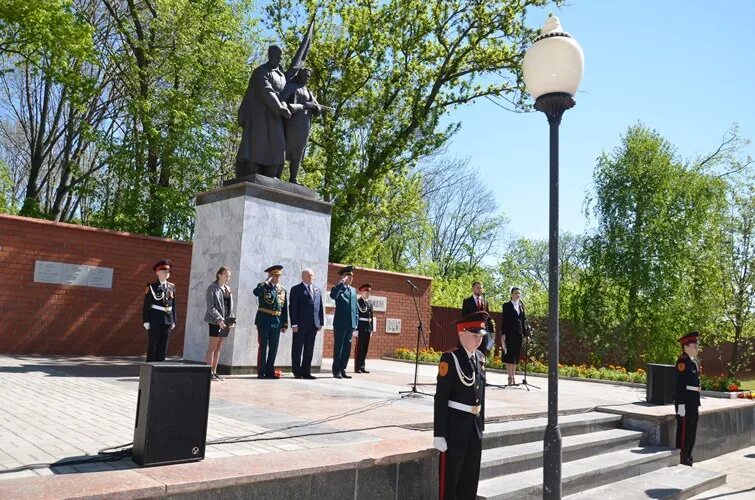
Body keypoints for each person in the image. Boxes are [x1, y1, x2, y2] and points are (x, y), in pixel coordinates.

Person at [434, 311, 487, 500]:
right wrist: (439, 433)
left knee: (470, 479)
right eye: (474, 336)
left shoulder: (480, 357)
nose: (478, 340)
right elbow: (440, 398)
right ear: (461, 333)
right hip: (455, 429)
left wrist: (482, 424)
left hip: (474, 428)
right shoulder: (450, 358)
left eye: (480, 336)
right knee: (452, 480)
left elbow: (482, 394)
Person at [235, 45, 292, 179]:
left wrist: (285, 105)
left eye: (278, 57)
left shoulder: (282, 75)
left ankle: (272, 173)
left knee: (278, 143)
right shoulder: (260, 71)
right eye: (273, 55)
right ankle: (254, 170)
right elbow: (266, 90)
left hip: (275, 115)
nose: (276, 59)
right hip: (259, 115)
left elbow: (283, 94)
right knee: (258, 143)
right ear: (269, 55)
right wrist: (279, 107)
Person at [281, 68, 322, 184]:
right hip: (292, 123)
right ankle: (276, 175)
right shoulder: (292, 87)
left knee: (299, 152)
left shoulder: (309, 92)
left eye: (308, 76)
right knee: (284, 148)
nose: (306, 78)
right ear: (299, 76)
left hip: (304, 125)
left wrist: (316, 108)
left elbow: (318, 110)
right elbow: (283, 101)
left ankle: (293, 178)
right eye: (304, 75)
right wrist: (303, 106)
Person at [253, 265, 288, 379]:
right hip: (263, 320)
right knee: (263, 347)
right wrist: (265, 282)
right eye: (275, 275)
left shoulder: (282, 290)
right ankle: (261, 371)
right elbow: (256, 292)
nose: (278, 277)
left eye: (279, 275)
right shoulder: (263, 286)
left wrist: (284, 324)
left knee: (274, 348)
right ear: (270, 276)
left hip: (277, 322)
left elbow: (284, 308)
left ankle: (270, 371)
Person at [288, 268, 324, 379]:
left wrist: (320, 322)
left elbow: (320, 307)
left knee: (309, 349)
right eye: (309, 275)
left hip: (313, 325)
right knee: (297, 349)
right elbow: (293, 307)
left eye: (312, 275)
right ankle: (297, 372)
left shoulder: (317, 290)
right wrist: (294, 324)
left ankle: (306, 372)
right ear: (303, 276)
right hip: (300, 325)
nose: (311, 277)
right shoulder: (296, 289)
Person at [142, 259, 177, 362]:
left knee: (163, 346)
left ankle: (160, 367)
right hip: (155, 319)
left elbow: (174, 305)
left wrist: (174, 320)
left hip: (168, 319)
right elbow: (146, 305)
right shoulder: (152, 287)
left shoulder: (172, 286)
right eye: (164, 271)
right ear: (157, 272)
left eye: (168, 271)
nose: (167, 273)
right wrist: (146, 320)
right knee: (153, 345)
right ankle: (150, 368)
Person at [675, 331, 701, 466]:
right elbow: (679, 385)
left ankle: (688, 456)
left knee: (692, 431)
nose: (697, 348)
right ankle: (682, 457)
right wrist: (680, 404)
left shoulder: (693, 362)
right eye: (694, 345)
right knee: (684, 431)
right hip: (685, 402)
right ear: (686, 346)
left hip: (693, 401)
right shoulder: (682, 361)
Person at [205, 266, 235, 382]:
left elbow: (230, 307)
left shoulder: (228, 289)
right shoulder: (212, 288)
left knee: (219, 347)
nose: (228, 278)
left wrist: (231, 321)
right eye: (226, 275)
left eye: (229, 276)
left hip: (226, 322)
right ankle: (209, 373)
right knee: (212, 347)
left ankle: (215, 371)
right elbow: (210, 307)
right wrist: (219, 320)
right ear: (219, 275)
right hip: (215, 321)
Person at [330, 265, 358, 379]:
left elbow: (355, 308)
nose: (350, 278)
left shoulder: (353, 290)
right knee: (339, 348)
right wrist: (341, 283)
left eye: (351, 277)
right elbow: (333, 296)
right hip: (340, 323)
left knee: (347, 348)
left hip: (350, 324)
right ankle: (336, 371)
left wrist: (355, 323)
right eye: (347, 276)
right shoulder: (338, 288)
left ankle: (343, 369)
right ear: (343, 277)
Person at [502, 287, 528, 385]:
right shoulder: (507, 305)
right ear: (512, 294)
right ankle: (510, 377)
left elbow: (523, 320)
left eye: (519, 293)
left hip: (519, 333)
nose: (518, 295)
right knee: (509, 355)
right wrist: (503, 334)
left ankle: (514, 376)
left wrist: (525, 333)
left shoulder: (521, 306)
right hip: (509, 333)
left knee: (516, 356)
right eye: (516, 293)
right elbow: (504, 320)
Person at [461, 281, 495, 355]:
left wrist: (492, 331)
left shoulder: (485, 302)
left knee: (483, 353)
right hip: (472, 331)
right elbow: (464, 317)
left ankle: (481, 366)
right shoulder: (467, 301)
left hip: (484, 331)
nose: (480, 289)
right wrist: (465, 331)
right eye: (478, 288)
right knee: (471, 352)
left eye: (481, 288)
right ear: (473, 289)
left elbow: (488, 317)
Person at [355, 283, 375, 373]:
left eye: (369, 293)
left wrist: (371, 329)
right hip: (361, 328)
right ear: (362, 292)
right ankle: (357, 367)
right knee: (359, 348)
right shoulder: (358, 302)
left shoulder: (369, 303)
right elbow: (356, 316)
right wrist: (355, 329)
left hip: (367, 328)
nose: (368, 294)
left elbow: (371, 317)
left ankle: (362, 366)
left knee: (365, 349)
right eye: (366, 292)